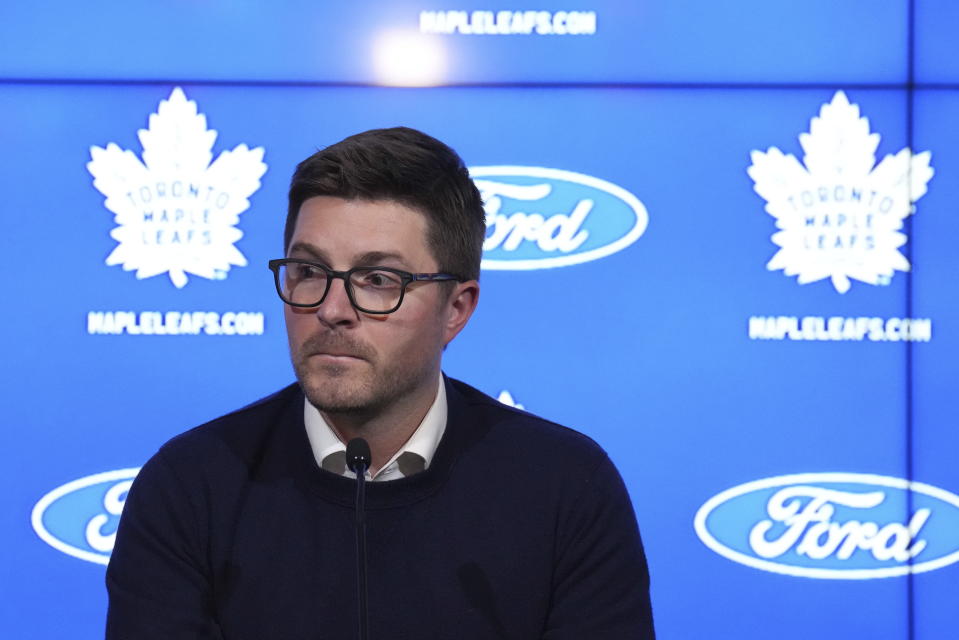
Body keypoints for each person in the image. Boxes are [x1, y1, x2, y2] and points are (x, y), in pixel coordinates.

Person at [106, 127, 655, 639]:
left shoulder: (566, 489)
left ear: (456, 309)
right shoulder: (189, 488)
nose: (332, 310)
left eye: (377, 280)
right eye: (310, 272)